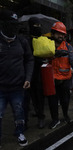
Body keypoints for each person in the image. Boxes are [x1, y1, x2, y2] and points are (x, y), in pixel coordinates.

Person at [0, 9, 34, 146]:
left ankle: (19, 132)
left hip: (18, 87)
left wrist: (28, 78)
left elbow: (29, 60)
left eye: (16, 25)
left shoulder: (22, 41)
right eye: (11, 24)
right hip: (0, 88)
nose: (14, 28)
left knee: (19, 112)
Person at [48, 22, 73, 129]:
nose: (61, 36)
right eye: (58, 33)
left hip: (64, 80)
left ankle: (65, 115)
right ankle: (55, 119)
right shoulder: (47, 45)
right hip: (51, 81)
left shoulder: (68, 47)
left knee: (65, 101)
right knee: (52, 102)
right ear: (53, 33)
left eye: (63, 34)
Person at [27, 17, 46, 129]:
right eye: (35, 26)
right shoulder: (26, 40)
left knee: (39, 95)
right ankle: (36, 111)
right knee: (32, 95)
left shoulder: (42, 39)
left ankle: (41, 116)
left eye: (39, 25)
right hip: (29, 73)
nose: (38, 28)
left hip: (40, 72)